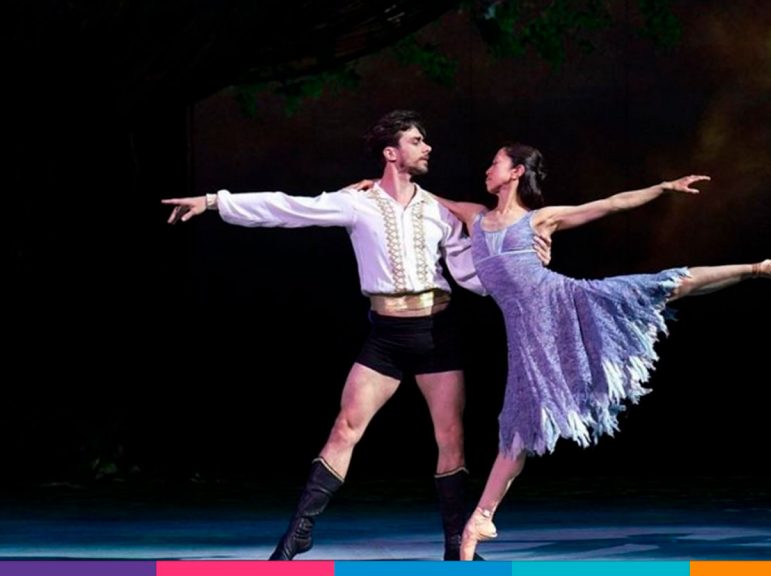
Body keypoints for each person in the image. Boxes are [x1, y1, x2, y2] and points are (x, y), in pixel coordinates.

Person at [161, 112, 550, 561]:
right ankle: (297, 535)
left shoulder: (439, 212)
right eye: (416, 141)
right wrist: (213, 201)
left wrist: (526, 263)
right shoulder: (357, 202)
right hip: (387, 335)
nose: (427, 147)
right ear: (391, 153)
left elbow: (472, 275)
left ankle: (454, 546)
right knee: (345, 427)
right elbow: (287, 208)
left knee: (451, 436)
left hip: (436, 333)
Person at [433, 143, 771, 560]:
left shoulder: (538, 220)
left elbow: (611, 204)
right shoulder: (474, 216)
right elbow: (415, 198)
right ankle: (479, 520)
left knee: (660, 286)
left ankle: (761, 267)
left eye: (495, 163)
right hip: (528, 337)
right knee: (519, 426)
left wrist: (663, 187)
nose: (487, 169)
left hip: (568, 304)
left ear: (516, 172)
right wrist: (386, 177)